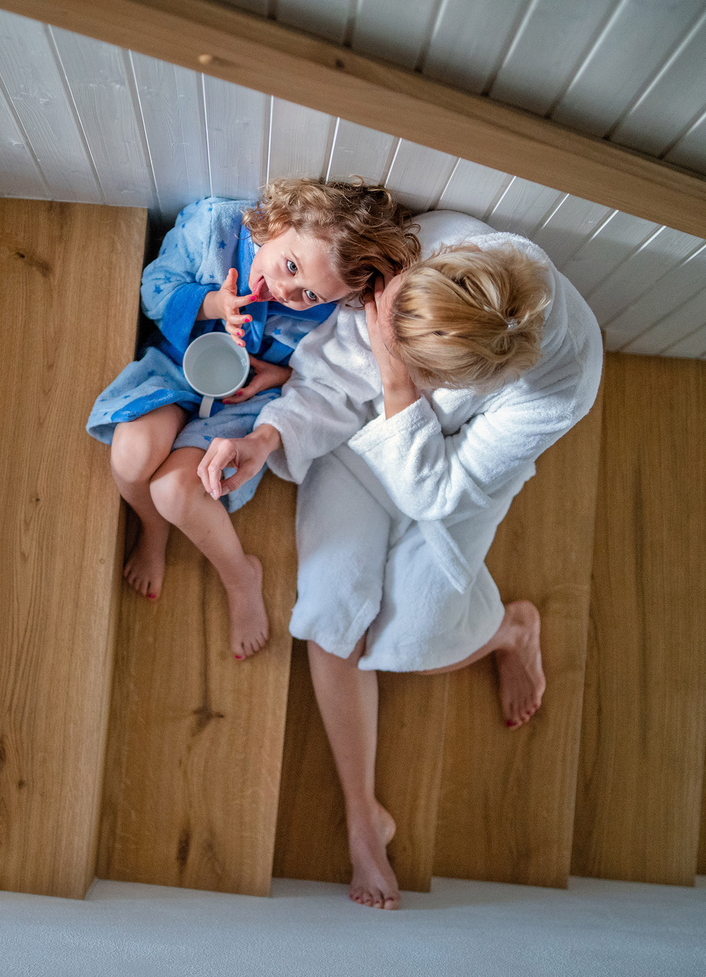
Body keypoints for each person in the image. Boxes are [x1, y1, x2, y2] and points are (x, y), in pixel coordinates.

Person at [197, 210, 603, 908]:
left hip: (453, 484)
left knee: (405, 641)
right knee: (329, 619)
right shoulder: (429, 246)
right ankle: (363, 816)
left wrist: (394, 377)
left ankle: (509, 627)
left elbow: (438, 490)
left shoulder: (559, 386)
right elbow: (330, 376)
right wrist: (266, 439)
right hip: (362, 440)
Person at [87, 179, 420, 659]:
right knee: (131, 454)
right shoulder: (214, 228)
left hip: (242, 400)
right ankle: (151, 528)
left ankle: (240, 575)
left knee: (175, 491)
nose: (288, 293)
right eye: (290, 266)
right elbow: (153, 290)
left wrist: (280, 375)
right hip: (176, 367)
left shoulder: (328, 303)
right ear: (281, 221)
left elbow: (321, 374)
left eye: (308, 295)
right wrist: (212, 305)